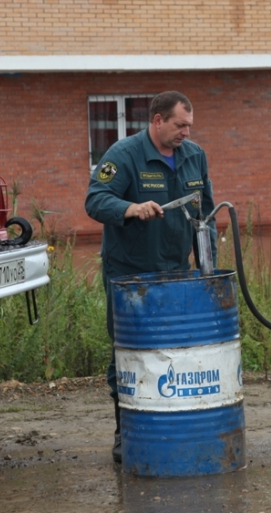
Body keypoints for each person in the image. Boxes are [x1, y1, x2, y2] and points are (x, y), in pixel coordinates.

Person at [85, 91, 217, 463]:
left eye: (189, 125)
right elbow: (95, 200)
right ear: (157, 121)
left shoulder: (195, 157)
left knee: (176, 352)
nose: (186, 133)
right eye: (179, 125)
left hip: (177, 272)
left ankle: (171, 426)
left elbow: (205, 218)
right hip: (131, 275)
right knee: (130, 353)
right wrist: (130, 207)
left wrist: (209, 271)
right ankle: (126, 431)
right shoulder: (124, 155)